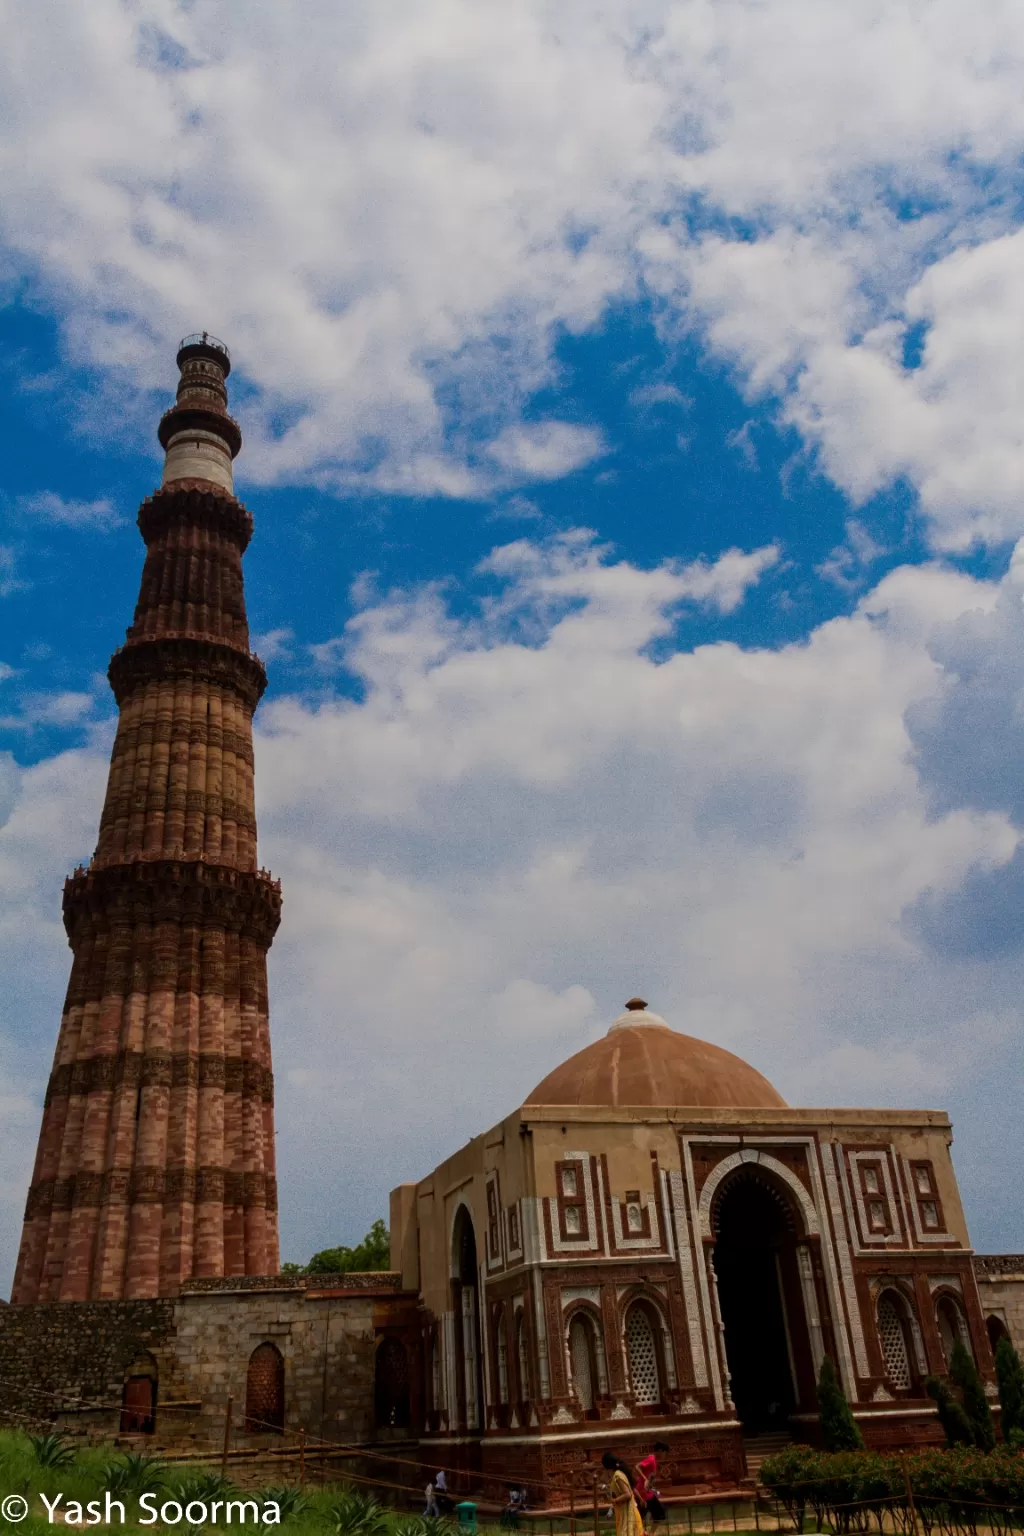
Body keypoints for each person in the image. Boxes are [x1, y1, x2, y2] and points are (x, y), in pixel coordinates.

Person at [602, 1452, 643, 1536]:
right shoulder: (617, 1474)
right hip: (623, 1515)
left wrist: (614, 1500)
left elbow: (627, 1494)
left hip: (629, 1516)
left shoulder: (618, 1475)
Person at [634, 1443, 668, 1529]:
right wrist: (645, 1479)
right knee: (639, 1519)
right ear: (660, 1451)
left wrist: (650, 1484)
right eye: (665, 1453)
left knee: (660, 1514)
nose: (665, 1456)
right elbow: (637, 1467)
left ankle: (650, 1534)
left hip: (648, 1493)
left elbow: (649, 1476)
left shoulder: (654, 1461)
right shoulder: (651, 1459)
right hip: (642, 1494)